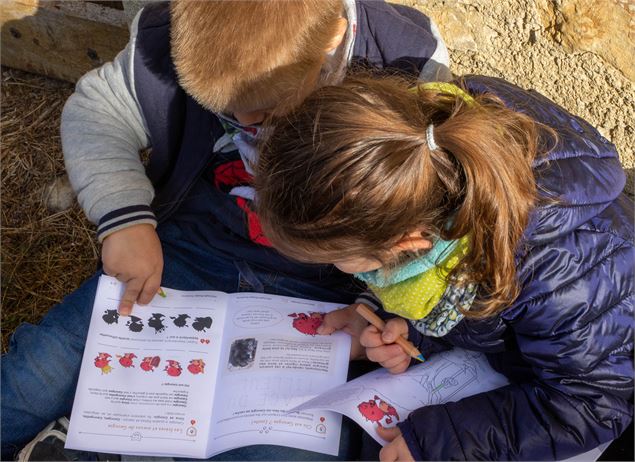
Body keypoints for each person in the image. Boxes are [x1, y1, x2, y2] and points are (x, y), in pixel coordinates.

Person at [1, 1, 451, 460]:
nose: (244, 122)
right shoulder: (171, 34)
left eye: (262, 108)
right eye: (221, 108)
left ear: (332, 39)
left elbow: (429, 215)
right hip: (186, 256)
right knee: (36, 373)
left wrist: (374, 302)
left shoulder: (407, 60)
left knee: (279, 452)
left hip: (328, 295)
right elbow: (99, 110)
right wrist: (126, 221)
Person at [254, 75, 634, 460]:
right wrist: (405, 324)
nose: (342, 270)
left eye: (337, 260)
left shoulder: (558, 273)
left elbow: (594, 406)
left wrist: (444, 441)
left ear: (407, 244)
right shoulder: (422, 142)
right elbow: (463, 304)